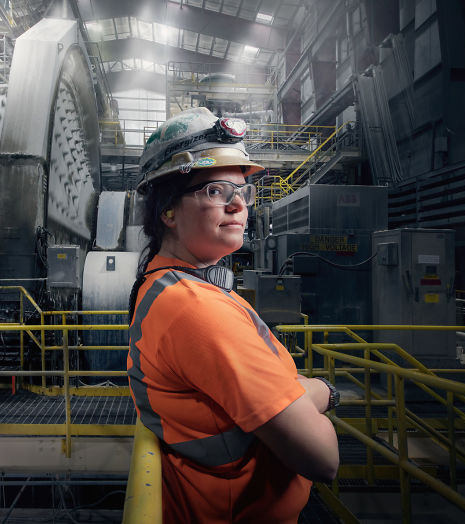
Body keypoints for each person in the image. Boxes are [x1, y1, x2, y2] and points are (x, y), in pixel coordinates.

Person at [127, 107, 339, 523]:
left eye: (243, 192)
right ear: (167, 211)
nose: (238, 205)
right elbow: (323, 456)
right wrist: (320, 389)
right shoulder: (196, 309)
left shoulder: (168, 285)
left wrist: (291, 394)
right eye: (215, 191)